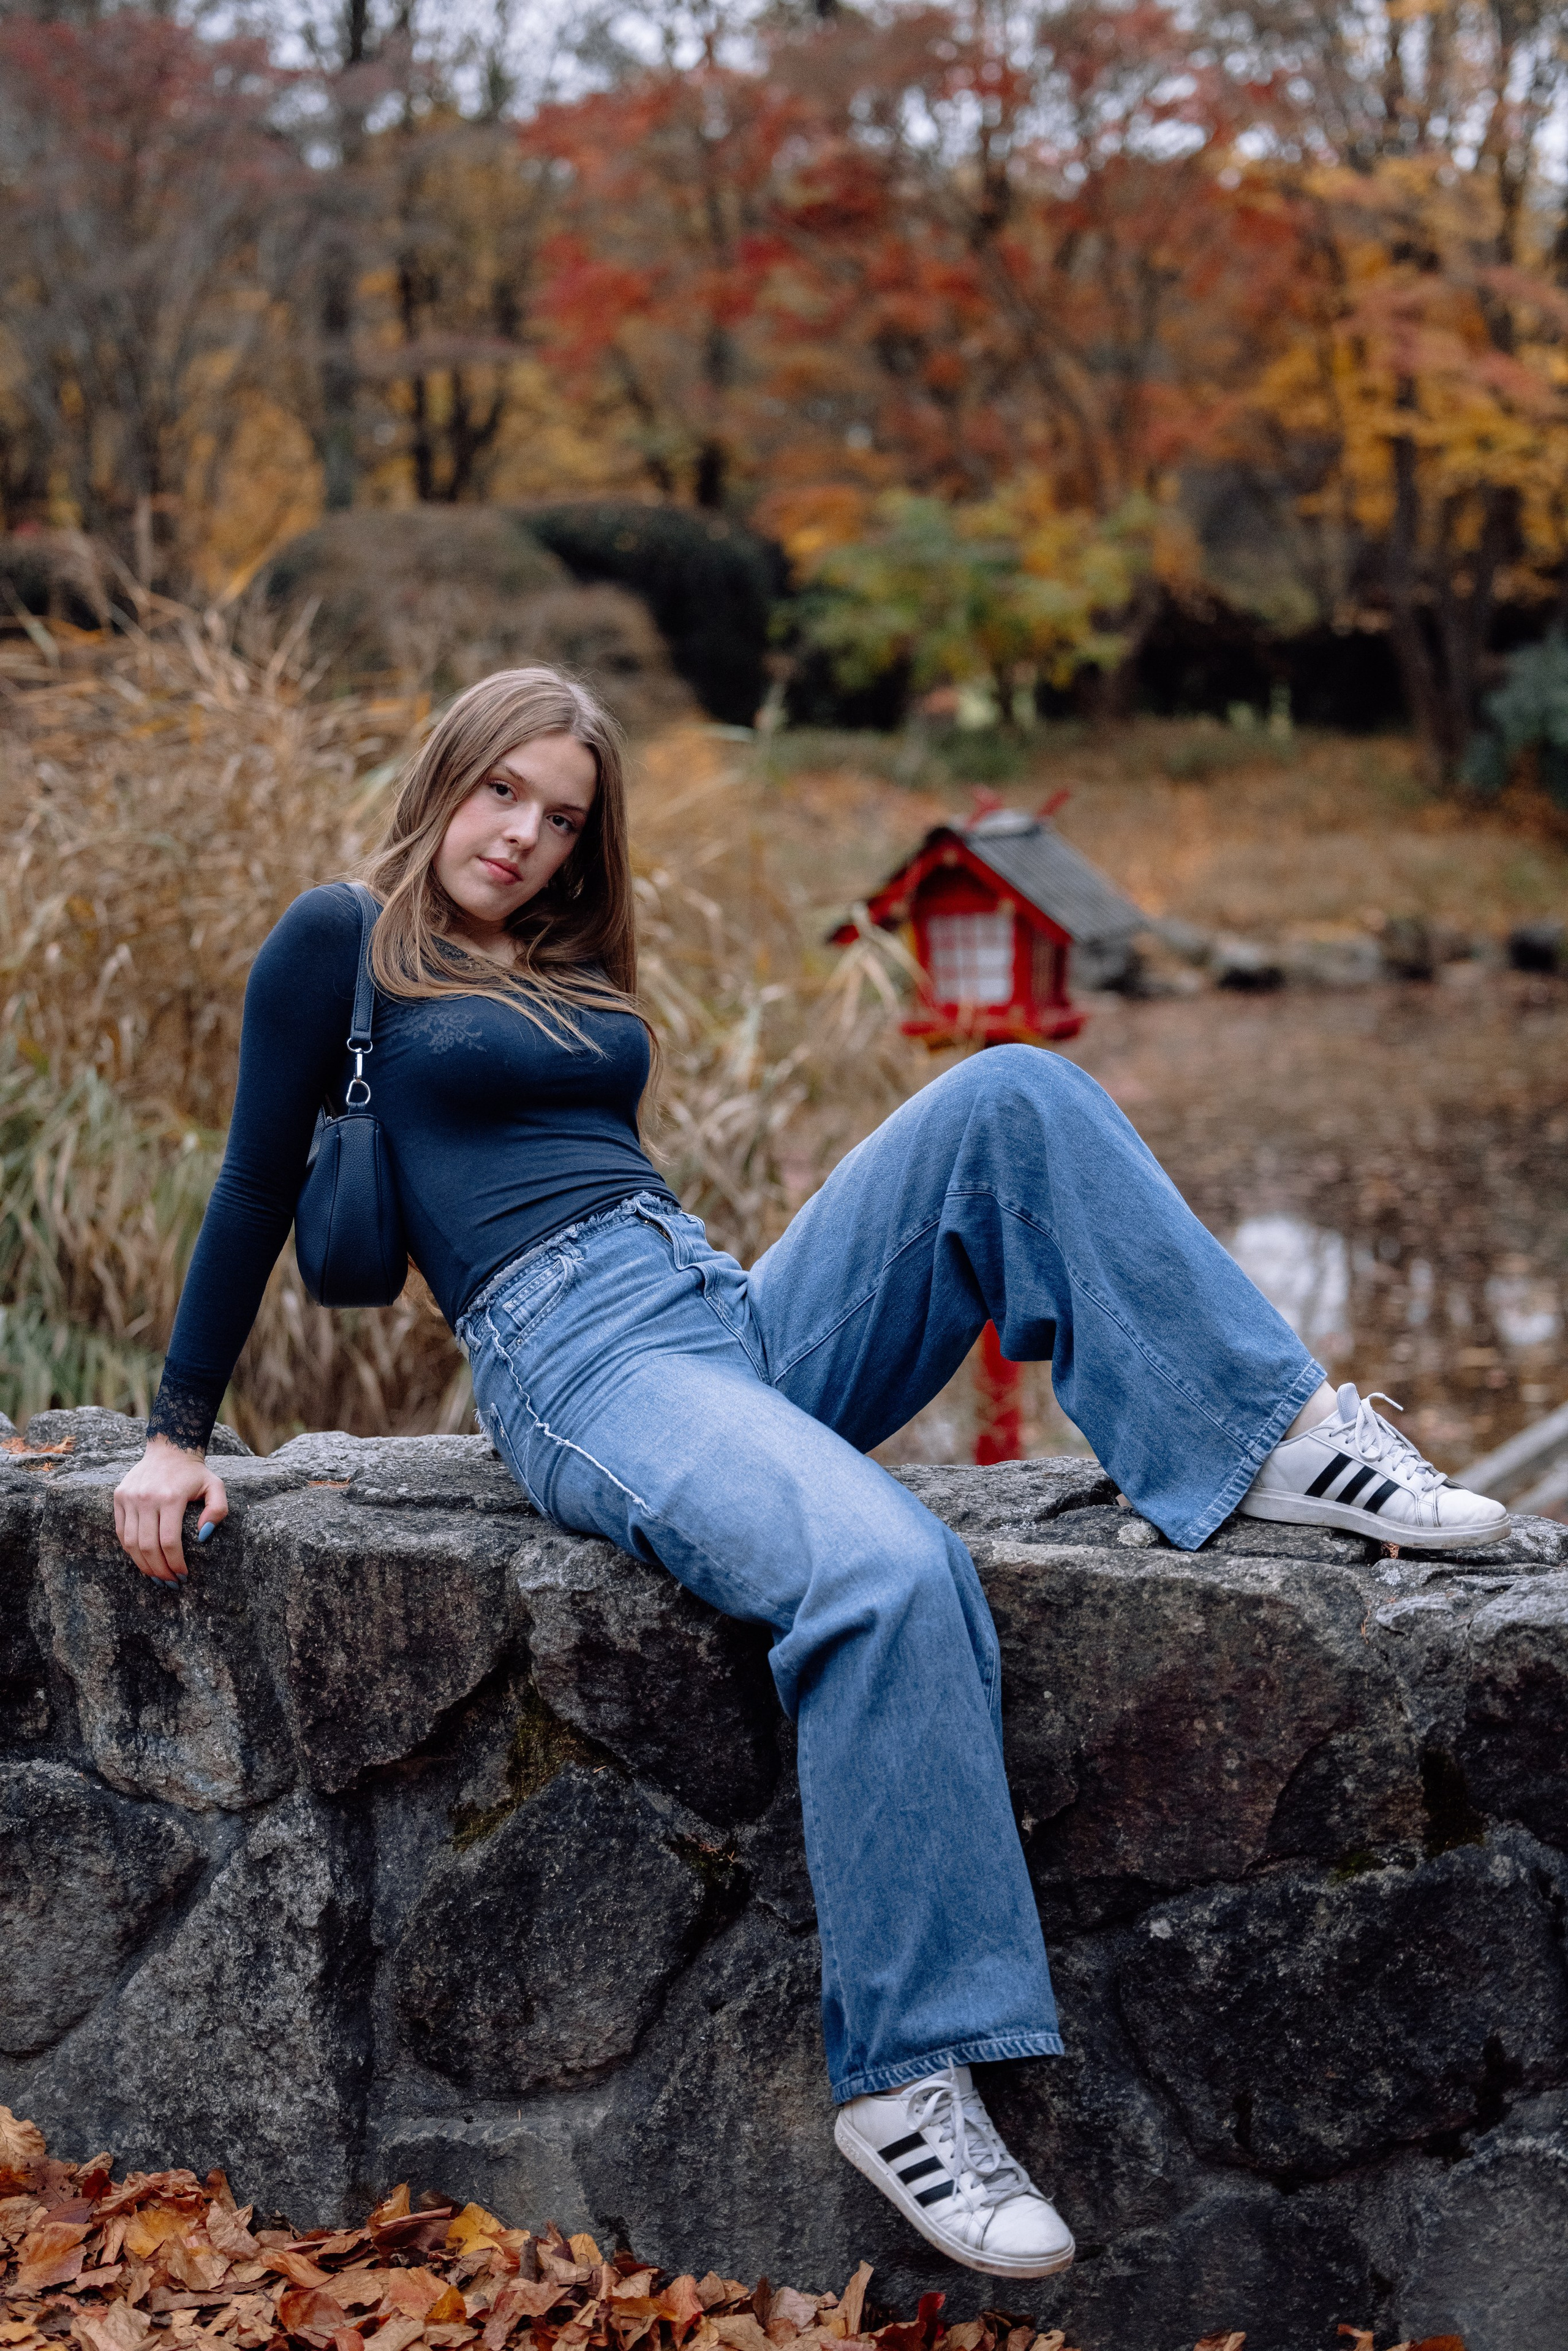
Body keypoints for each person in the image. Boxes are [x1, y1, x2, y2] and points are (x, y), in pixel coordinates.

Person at [113, 666, 1509, 2283]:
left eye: (564, 818)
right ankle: (906, 2079)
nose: (527, 837)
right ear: (450, 775)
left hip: (718, 1305)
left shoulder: (556, 962)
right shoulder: (339, 937)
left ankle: (1267, 1439)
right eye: (505, 793)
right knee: (887, 1565)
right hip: (577, 1358)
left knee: (1013, 1092)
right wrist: (174, 1431)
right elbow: (248, 1186)